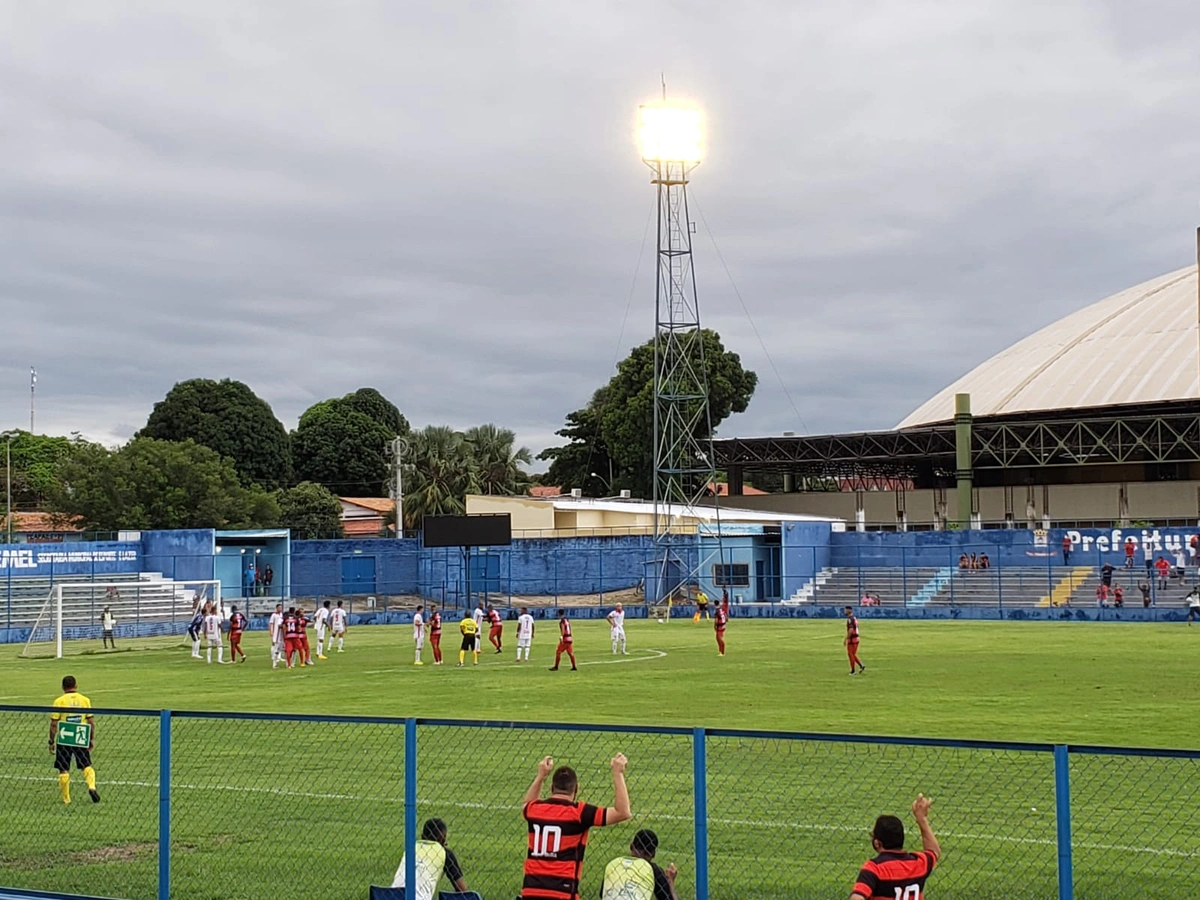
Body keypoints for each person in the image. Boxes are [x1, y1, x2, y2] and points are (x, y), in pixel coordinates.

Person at [519, 754, 632, 900]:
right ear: (576, 788)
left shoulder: (534, 809)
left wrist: (540, 776)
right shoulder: (579, 813)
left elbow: (526, 804)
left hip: (530, 891)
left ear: (551, 787)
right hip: (562, 892)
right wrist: (618, 773)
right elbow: (623, 812)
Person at [849, 794, 940, 900]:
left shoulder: (874, 868)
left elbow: (857, 898)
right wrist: (922, 819)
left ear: (877, 843)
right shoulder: (919, 863)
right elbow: (934, 851)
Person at [49, 675, 100, 805]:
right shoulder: (85, 700)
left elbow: (54, 724)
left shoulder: (59, 701)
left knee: (63, 768)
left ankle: (67, 799)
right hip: (80, 735)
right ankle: (92, 787)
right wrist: (91, 739)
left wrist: (51, 741)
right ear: (76, 686)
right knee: (86, 765)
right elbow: (91, 721)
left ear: (62, 687)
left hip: (65, 736)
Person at [390, 817, 468, 900]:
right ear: (444, 838)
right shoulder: (445, 853)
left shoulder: (411, 847)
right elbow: (462, 890)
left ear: (422, 835)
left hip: (389, 896)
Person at [602, 829, 678, 900]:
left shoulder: (614, 865)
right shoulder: (653, 870)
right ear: (653, 854)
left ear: (631, 846)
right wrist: (670, 880)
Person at [844, 606, 864, 675]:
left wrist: (846, 638)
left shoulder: (850, 619)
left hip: (852, 639)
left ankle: (853, 671)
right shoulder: (854, 618)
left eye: (846, 610)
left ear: (849, 610)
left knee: (850, 654)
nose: (845, 611)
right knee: (853, 654)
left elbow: (851, 629)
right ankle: (861, 665)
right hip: (856, 638)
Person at [269, 603, 285, 669]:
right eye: (279, 608)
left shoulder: (282, 615)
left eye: (281, 608)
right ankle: (273, 657)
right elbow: (271, 623)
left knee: (281, 646)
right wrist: (271, 631)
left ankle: (278, 657)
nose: (280, 609)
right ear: (277, 608)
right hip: (276, 632)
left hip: (281, 633)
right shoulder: (274, 615)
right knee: (275, 645)